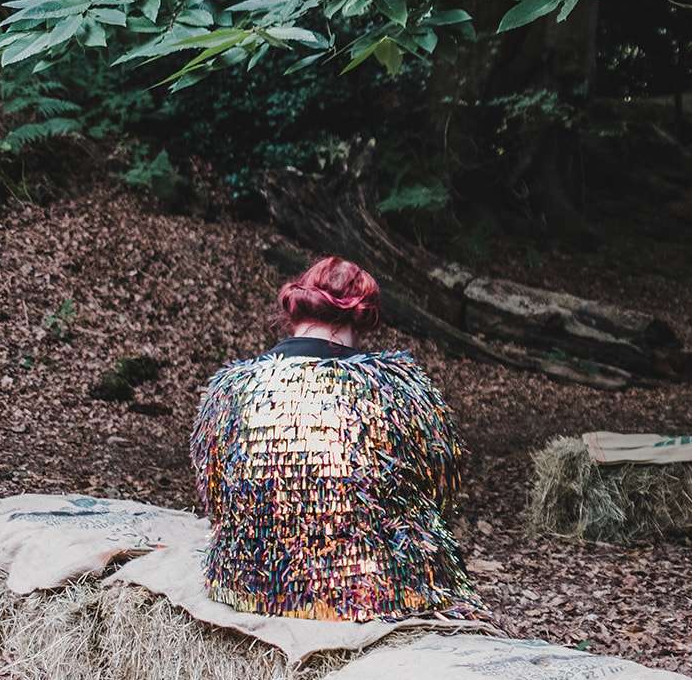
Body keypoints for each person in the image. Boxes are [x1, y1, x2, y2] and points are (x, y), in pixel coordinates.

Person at [189, 256, 482, 622]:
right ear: (363, 315)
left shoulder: (229, 388)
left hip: (248, 585)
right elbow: (444, 486)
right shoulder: (400, 386)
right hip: (379, 593)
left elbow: (213, 496)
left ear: (296, 310)